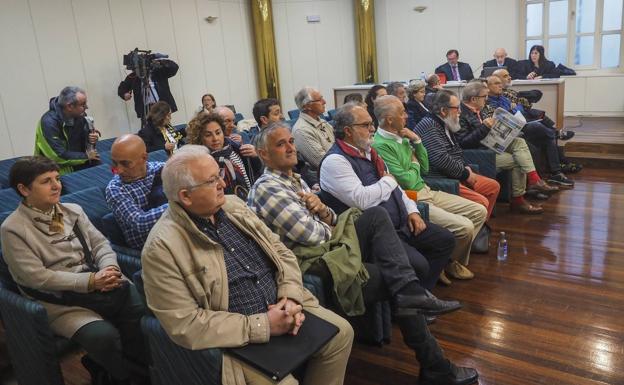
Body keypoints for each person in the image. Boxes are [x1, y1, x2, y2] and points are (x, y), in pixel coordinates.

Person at [248, 121, 478, 385]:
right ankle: (434, 362)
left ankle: (414, 306)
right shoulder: (268, 187)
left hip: (328, 248)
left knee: (378, 221)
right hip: (311, 261)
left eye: (291, 141)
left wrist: (322, 211)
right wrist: (327, 220)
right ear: (264, 154)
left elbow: (332, 217)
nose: (291, 147)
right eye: (281, 144)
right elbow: (312, 237)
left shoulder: (293, 179)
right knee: (394, 271)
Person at [141, 145, 354, 385]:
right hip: (238, 335)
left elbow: (281, 252)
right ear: (185, 196)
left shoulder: (234, 206)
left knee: (341, 333)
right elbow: (184, 324)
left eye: (219, 174)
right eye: (212, 181)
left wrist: (290, 297)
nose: (223, 183)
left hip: (283, 304)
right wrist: (263, 325)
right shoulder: (161, 247)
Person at [1, 156, 147, 385]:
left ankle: (131, 370)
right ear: (23, 189)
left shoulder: (72, 211)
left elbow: (100, 244)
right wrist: (90, 282)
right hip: (59, 300)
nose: (56, 185)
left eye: (57, 178)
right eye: (46, 181)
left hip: (101, 283)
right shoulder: (12, 229)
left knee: (141, 311)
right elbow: (35, 277)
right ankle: (122, 376)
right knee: (102, 336)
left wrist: (110, 269)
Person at [319, 103, 457, 290]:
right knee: (419, 265)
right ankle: (412, 304)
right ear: (348, 131)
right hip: (375, 235)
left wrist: (412, 211)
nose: (372, 129)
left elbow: (397, 189)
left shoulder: (370, 153)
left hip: (402, 222)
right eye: (365, 125)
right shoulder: (335, 161)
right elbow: (362, 200)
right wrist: (389, 181)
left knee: (445, 239)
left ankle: (420, 295)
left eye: (371, 124)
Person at [372, 95, 487, 282]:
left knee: (479, 211)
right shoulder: (380, 145)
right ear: (389, 119)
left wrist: (417, 141)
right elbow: (407, 181)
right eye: (402, 113)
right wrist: (414, 164)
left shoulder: (403, 136)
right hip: (413, 198)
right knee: (465, 227)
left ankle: (449, 260)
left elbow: (424, 168)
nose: (407, 116)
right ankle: (446, 262)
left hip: (427, 190)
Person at [456, 81, 557, 214]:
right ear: (473, 99)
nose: (486, 100)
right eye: (484, 97)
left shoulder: (479, 110)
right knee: (518, 161)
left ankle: (534, 180)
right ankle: (519, 199)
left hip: (488, 145)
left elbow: (483, 133)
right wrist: (485, 127)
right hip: (479, 154)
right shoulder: (461, 114)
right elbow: (463, 143)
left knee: (519, 142)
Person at [413, 90, 501, 220]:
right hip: (442, 179)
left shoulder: (444, 122)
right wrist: (465, 174)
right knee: (481, 202)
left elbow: (456, 151)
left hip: (455, 173)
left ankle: (481, 227)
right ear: (443, 110)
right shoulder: (430, 126)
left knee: (493, 187)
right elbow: (441, 160)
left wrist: (465, 168)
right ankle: (474, 230)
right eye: (457, 108)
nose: (460, 112)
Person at [482, 76, 574, 187]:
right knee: (537, 126)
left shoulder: (504, 97)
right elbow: (499, 120)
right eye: (496, 83)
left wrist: (516, 109)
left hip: (520, 124)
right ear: (488, 87)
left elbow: (524, 105)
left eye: (500, 83)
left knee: (547, 138)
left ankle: (556, 173)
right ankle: (556, 134)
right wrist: (513, 111)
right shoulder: (487, 102)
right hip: (508, 131)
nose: (500, 85)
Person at [105, 135, 167, 250]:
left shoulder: (163, 169)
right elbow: (140, 222)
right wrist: (179, 205)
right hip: (151, 249)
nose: (118, 170)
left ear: (144, 158)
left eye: (125, 164)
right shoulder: (116, 189)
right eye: (114, 163)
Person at [186, 112, 262, 200]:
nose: (215, 139)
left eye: (218, 133)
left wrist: (255, 157)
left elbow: (255, 173)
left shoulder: (236, 148)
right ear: (199, 137)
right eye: (208, 135)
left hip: (249, 200)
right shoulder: (199, 162)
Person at [492, 68, 576, 142]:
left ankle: (556, 134)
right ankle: (557, 134)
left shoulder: (508, 92)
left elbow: (528, 103)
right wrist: (517, 104)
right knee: (537, 122)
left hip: (522, 116)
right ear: (496, 79)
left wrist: (518, 103)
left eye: (509, 75)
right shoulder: (496, 95)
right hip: (515, 123)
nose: (510, 77)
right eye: (505, 76)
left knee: (538, 115)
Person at [35, 86, 100, 175]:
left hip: (78, 163)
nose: (87, 107)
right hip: (55, 172)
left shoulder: (80, 116)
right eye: (82, 104)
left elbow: (86, 145)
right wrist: (86, 156)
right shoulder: (48, 123)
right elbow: (57, 156)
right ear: (69, 106)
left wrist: (91, 139)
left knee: (103, 170)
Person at [117, 55, 178, 120]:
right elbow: (122, 87)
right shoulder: (134, 76)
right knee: (148, 128)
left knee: (164, 128)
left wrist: (160, 62)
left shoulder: (159, 72)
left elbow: (174, 67)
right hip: (146, 110)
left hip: (162, 107)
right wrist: (124, 94)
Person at [292, 87, 335, 171]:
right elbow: (323, 163)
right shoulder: (302, 131)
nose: (324, 102)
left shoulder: (323, 122)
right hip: (326, 176)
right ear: (307, 106)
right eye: (319, 100)